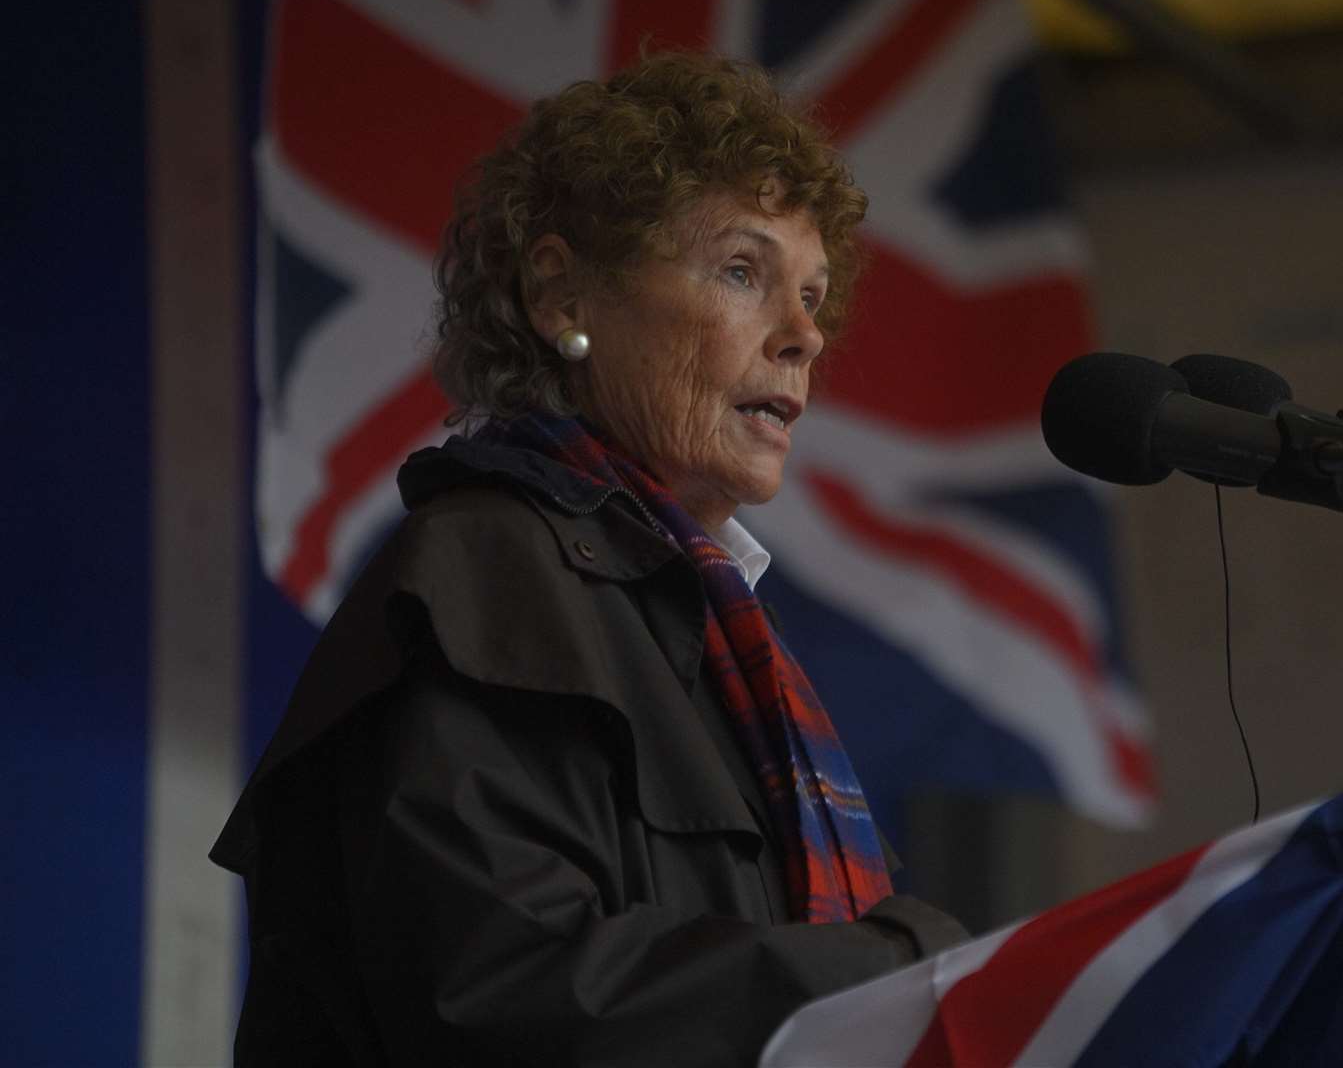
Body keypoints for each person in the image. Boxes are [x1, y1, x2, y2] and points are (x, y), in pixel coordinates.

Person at [212, 52, 969, 1067]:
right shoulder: (487, 567)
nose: (803, 337)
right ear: (563, 297)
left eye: (815, 296)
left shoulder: (708, 628)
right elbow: (500, 989)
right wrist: (895, 975)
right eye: (743, 273)